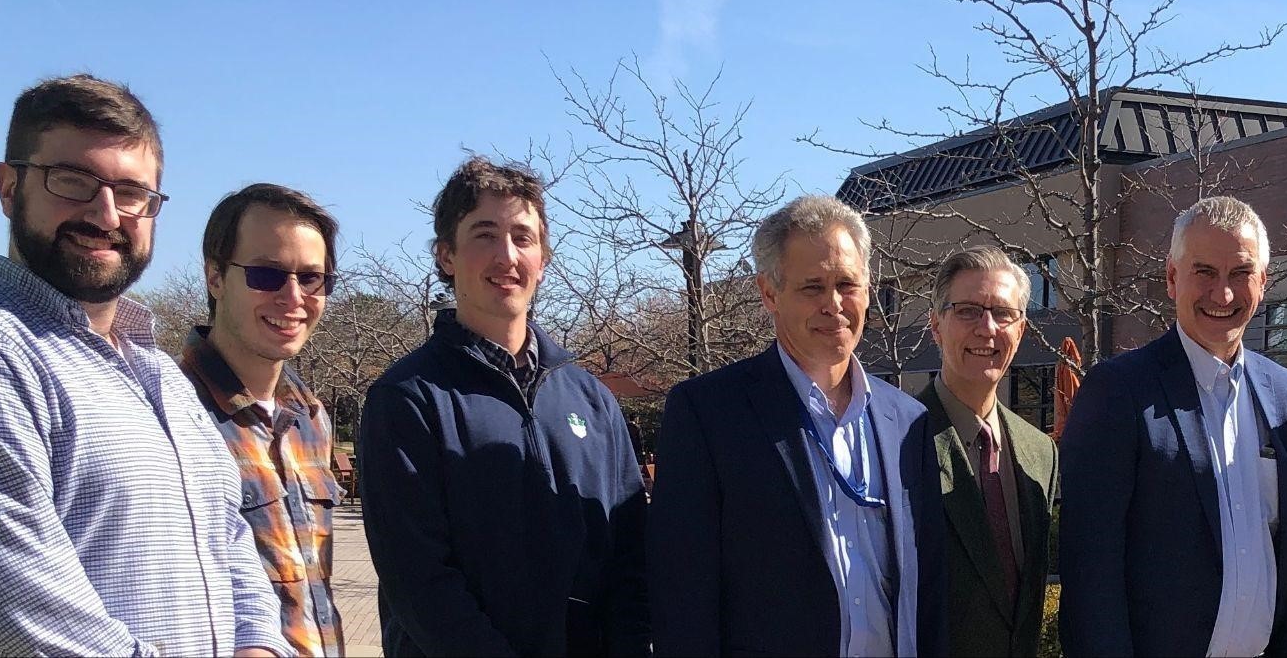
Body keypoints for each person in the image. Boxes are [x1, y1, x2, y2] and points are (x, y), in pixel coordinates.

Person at [0, 75, 290, 657]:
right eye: (73, 181)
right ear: (8, 187)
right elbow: (35, 623)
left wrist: (257, 646)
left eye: (132, 192)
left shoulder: (163, 375)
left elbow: (230, 542)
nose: (106, 214)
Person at [359, 157, 648, 656]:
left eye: (523, 237)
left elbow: (630, 558)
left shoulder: (592, 399)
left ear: (544, 257)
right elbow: (419, 580)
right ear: (447, 255)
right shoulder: (407, 399)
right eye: (485, 235)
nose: (506, 256)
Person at [649, 195, 945, 657]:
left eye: (848, 284)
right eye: (812, 287)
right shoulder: (708, 413)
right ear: (769, 292)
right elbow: (683, 593)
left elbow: (926, 588)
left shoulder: (908, 422)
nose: (834, 304)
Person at [1059, 195, 1287, 658]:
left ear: (1263, 282)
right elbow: (1089, 569)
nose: (1224, 294)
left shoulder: (1284, 393)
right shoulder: (1118, 391)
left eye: (1240, 273)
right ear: (1172, 278)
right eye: (1205, 273)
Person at [178, 184, 346, 657]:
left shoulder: (310, 417)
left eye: (312, 278)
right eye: (266, 275)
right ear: (214, 277)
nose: (294, 298)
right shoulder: (168, 415)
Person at [916, 247, 1056, 657]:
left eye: (1003, 313)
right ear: (936, 325)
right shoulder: (899, 442)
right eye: (967, 311)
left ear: (1022, 330)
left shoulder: (1040, 452)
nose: (987, 328)